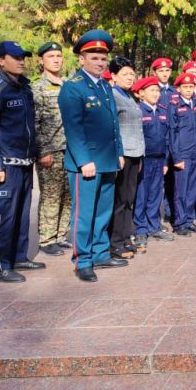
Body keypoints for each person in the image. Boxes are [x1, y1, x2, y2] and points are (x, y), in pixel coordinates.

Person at [58, 30, 127, 282]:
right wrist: (84, 160)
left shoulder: (105, 87)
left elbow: (113, 123)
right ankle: (82, 260)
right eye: (94, 57)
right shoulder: (72, 88)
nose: (100, 62)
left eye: (103, 58)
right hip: (86, 164)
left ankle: (100, 253)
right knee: (84, 213)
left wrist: (119, 152)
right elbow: (73, 129)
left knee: (102, 211)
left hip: (108, 160)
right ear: (81, 59)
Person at [0, 41, 43, 282]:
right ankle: (0, 265)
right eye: (15, 57)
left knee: (22, 213)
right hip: (6, 164)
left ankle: (18, 257)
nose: (21, 61)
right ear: (0, 61)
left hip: (25, 162)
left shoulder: (24, 88)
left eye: (23, 56)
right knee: (3, 215)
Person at [32, 41, 71, 257]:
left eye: (58, 56)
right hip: (51, 151)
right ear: (41, 60)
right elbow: (34, 123)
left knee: (68, 195)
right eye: (50, 56)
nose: (56, 59)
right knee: (51, 195)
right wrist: (42, 151)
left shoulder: (67, 85)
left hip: (70, 149)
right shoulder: (37, 88)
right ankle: (47, 239)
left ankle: (61, 235)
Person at [107, 57, 144, 259]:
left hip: (135, 153)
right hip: (123, 155)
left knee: (129, 199)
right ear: (113, 76)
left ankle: (125, 237)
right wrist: (117, 153)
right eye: (125, 74)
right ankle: (115, 243)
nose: (130, 77)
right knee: (120, 200)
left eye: (132, 74)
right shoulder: (112, 95)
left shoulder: (129, 96)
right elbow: (113, 127)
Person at [133, 77, 172, 250]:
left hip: (159, 159)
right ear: (141, 94)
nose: (156, 94)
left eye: (157, 90)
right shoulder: (138, 111)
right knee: (142, 194)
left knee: (156, 194)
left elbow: (167, 138)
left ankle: (154, 226)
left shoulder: (163, 111)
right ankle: (140, 228)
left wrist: (165, 160)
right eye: (151, 90)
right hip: (144, 160)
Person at [169, 73, 196, 236]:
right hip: (182, 154)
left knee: (193, 189)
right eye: (185, 87)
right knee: (181, 191)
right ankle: (179, 223)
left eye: (191, 87)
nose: (188, 90)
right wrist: (176, 157)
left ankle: (189, 220)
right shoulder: (175, 106)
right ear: (178, 88)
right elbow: (172, 133)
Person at [151, 56, 177, 228]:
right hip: (159, 139)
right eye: (161, 70)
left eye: (167, 70)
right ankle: (158, 216)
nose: (165, 73)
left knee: (172, 180)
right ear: (155, 72)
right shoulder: (151, 90)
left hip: (174, 139)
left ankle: (170, 212)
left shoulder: (175, 91)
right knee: (157, 183)